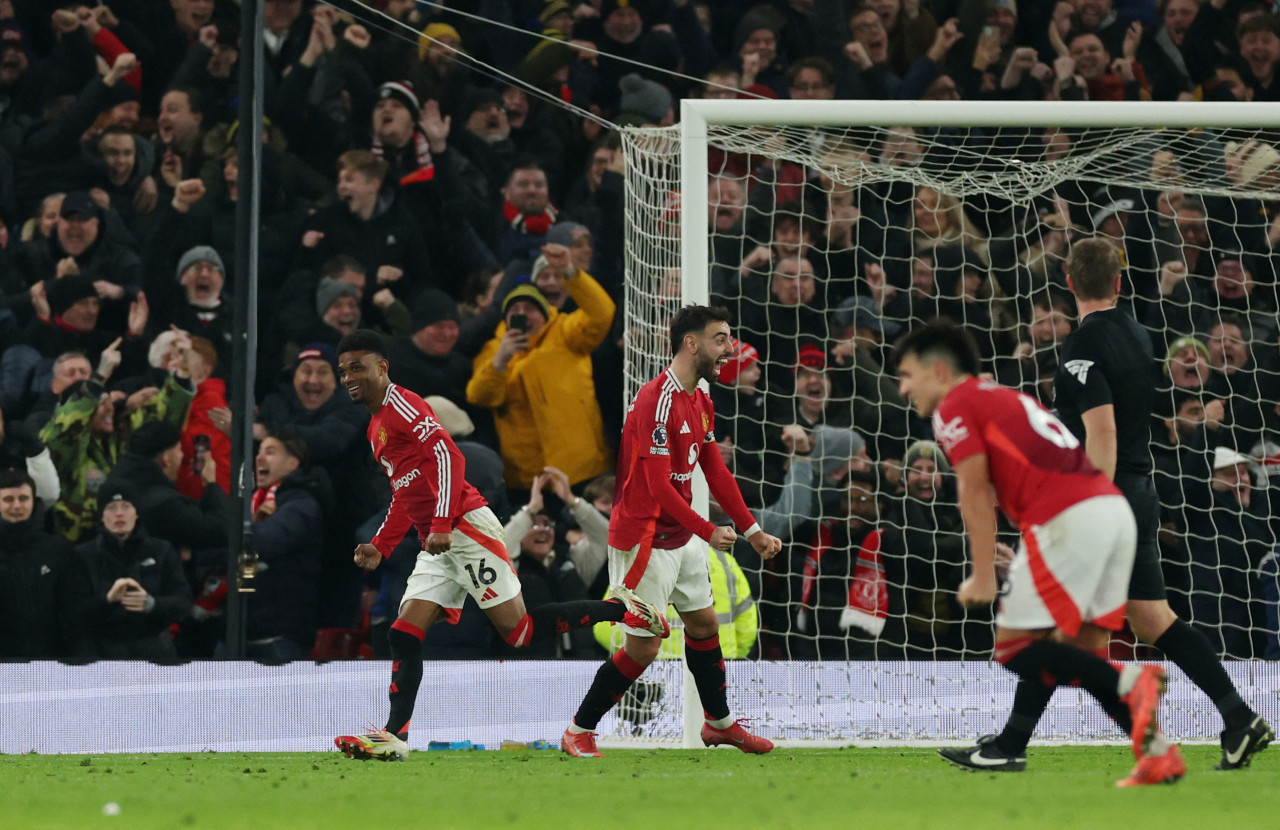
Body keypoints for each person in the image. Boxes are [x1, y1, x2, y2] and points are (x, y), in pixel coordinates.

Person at [944, 238, 1272, 773]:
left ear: (1069, 283)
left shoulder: (1082, 345)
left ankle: (1009, 746)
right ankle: (1238, 718)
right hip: (1137, 494)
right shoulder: (1137, 334)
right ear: (1118, 281)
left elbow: (1103, 432)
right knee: (1149, 622)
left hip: (1103, 496)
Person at [330, 330, 666, 761]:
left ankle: (622, 609)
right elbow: (404, 491)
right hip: (437, 541)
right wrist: (382, 543)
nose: (348, 378)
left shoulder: (404, 405)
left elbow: (450, 458)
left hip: (464, 528)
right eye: (344, 371)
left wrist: (442, 522)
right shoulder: (375, 426)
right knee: (404, 633)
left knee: (520, 632)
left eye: (357, 367)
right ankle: (394, 736)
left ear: (383, 367)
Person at [893, 320, 1183, 787]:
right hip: (1112, 513)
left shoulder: (954, 406)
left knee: (1014, 648)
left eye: (907, 375)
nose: (903, 387)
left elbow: (972, 491)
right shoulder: (1004, 396)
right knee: (1076, 651)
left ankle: (1131, 682)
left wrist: (983, 574)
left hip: (1066, 518)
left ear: (940, 371)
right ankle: (1153, 751)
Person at [560, 305, 784, 759]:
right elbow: (658, 486)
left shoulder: (700, 400)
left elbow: (714, 469)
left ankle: (719, 724)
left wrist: (752, 530)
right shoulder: (655, 400)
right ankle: (579, 730)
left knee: (703, 625)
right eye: (721, 339)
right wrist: (707, 529)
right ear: (692, 343)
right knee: (643, 648)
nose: (729, 349)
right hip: (643, 538)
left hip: (679, 537)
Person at [76, 479, 191, 661]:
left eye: (126, 506)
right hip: (102, 658)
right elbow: (74, 612)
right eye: (111, 507)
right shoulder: (83, 555)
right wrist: (108, 601)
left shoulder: (162, 551)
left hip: (155, 657)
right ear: (101, 515)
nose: (119, 514)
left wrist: (153, 605)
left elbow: (183, 603)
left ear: (137, 512)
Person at [0, 469, 92, 659]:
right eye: (8, 499)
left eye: (23, 498)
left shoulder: (57, 550)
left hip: (51, 665)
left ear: (34, 502)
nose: (17, 506)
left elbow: (75, 610)